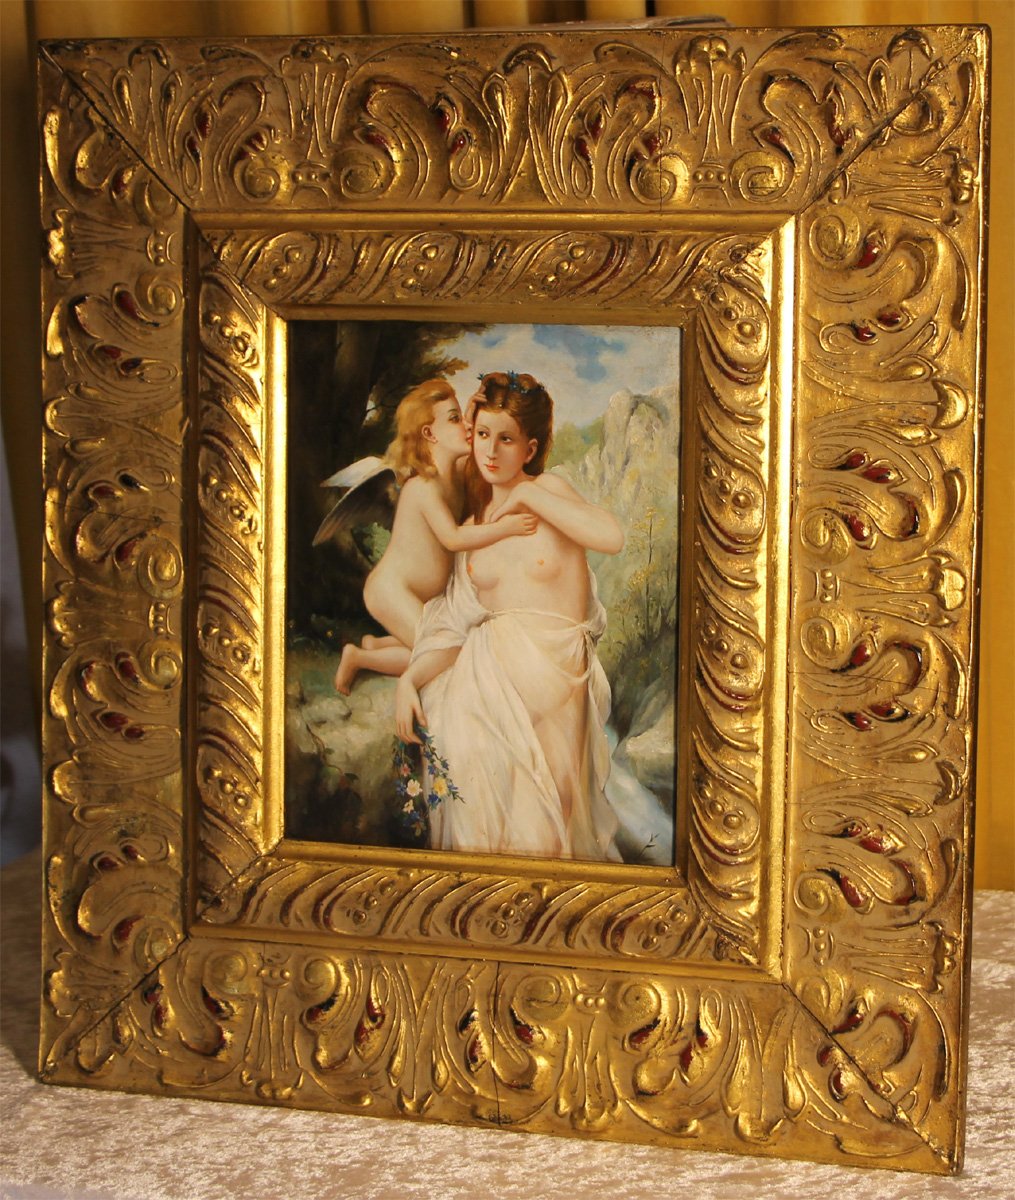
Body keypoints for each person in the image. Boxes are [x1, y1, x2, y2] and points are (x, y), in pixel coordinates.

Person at [394, 371, 625, 861]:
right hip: (482, 694)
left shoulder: (549, 491)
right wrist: (409, 679)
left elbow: (611, 537)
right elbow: (455, 628)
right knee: (485, 836)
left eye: (506, 439)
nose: (491, 451)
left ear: (529, 448)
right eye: (482, 434)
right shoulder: (472, 530)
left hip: (557, 690)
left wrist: (527, 496)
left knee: (545, 841)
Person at [332, 379, 536, 693]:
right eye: (455, 419)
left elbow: (477, 451)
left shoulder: (455, 473)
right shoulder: (422, 487)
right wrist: (507, 528)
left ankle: (377, 644)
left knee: (449, 645)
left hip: (421, 597)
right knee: (444, 655)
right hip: (391, 591)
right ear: (429, 434)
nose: (467, 427)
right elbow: (452, 538)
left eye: (463, 418)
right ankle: (359, 658)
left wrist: (470, 416)